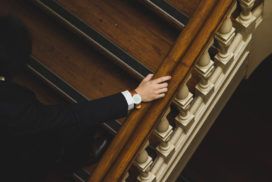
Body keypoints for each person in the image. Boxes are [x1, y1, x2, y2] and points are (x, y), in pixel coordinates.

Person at [0, 16, 171, 181]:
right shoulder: (14, 108)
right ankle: (72, 160)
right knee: (61, 133)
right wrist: (136, 96)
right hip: (16, 162)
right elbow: (72, 115)